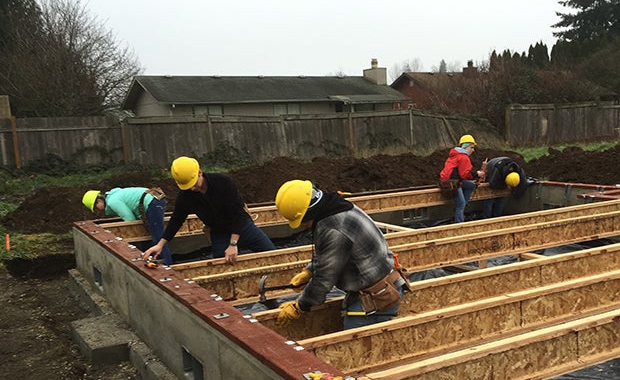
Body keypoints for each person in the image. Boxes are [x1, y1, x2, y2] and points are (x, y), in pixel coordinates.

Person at [273, 179, 410, 330]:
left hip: (377, 296)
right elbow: (330, 253)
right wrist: (310, 271)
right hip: (380, 286)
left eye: (301, 222)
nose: (302, 226)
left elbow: (324, 279)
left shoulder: (333, 229)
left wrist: (300, 305)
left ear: (307, 213)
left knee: (357, 347)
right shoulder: (334, 206)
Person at [142, 156, 275, 265]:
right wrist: (160, 244)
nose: (192, 189)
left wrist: (233, 244)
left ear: (200, 172)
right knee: (220, 267)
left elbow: (238, 213)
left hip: (242, 227)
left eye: (194, 184)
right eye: (188, 187)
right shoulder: (186, 195)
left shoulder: (223, 182)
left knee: (272, 255)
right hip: (219, 233)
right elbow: (176, 220)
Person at [82, 187, 173, 266]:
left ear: (98, 201)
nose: (98, 210)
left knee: (158, 238)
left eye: (96, 207)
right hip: (154, 199)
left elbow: (130, 220)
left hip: (152, 202)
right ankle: (153, 261)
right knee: (151, 236)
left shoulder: (112, 202)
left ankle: (168, 266)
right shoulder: (113, 195)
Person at [439, 134, 486, 223]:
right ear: (466, 147)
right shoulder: (463, 157)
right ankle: (460, 225)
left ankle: (464, 205)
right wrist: (477, 174)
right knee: (460, 204)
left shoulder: (455, 154)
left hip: (448, 180)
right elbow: (465, 174)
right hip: (452, 183)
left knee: (472, 185)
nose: (473, 150)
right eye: (471, 147)